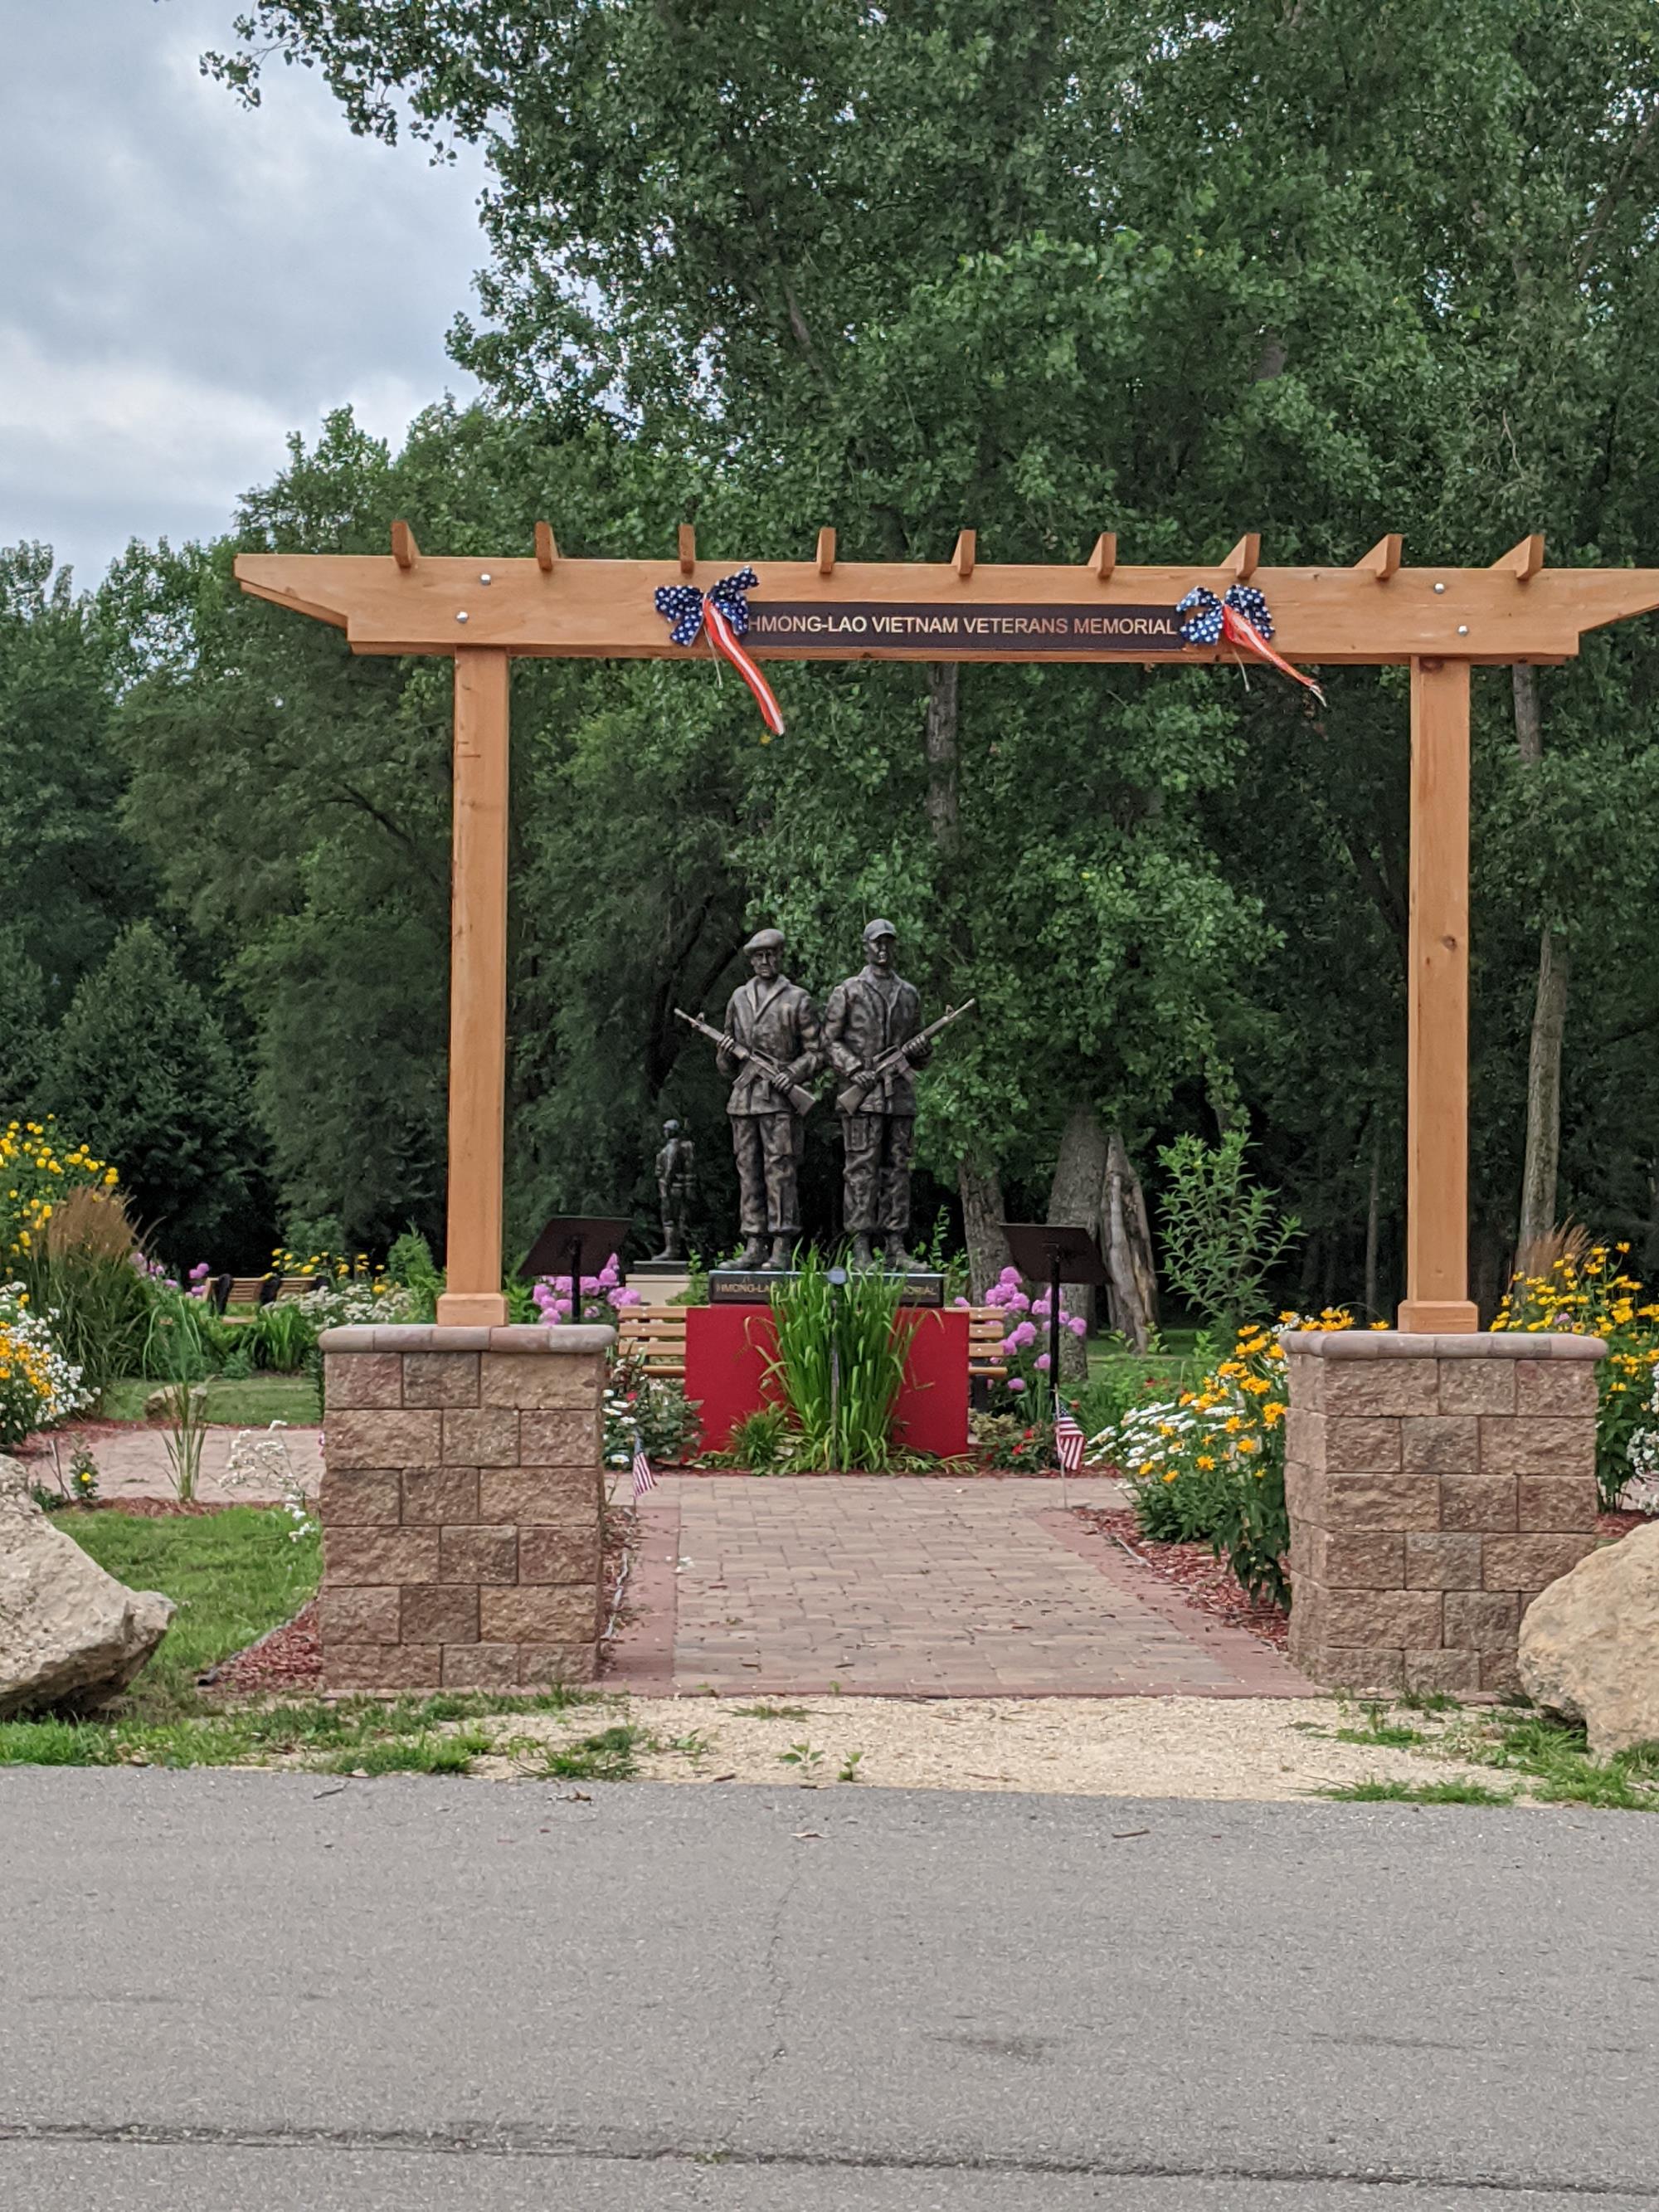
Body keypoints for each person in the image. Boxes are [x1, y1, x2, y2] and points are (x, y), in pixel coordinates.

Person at [821, 918, 932, 1269]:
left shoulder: (909, 993)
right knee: (861, 1170)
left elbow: (920, 1052)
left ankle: (896, 1246)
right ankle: (860, 1247)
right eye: (876, 943)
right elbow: (828, 1042)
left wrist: (922, 1049)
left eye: (888, 943)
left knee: (898, 1169)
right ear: (865, 946)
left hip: (898, 1097)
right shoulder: (849, 991)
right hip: (863, 1097)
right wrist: (855, 1069)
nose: (882, 949)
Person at [715, 928, 821, 1270]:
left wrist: (791, 1074)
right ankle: (753, 1243)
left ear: (779, 956)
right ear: (750, 960)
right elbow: (726, 1065)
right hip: (745, 1101)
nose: (764, 961)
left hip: (780, 1102)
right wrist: (726, 1053)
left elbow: (817, 1054)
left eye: (770, 954)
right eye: (758, 956)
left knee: (780, 1172)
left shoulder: (798, 999)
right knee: (748, 1171)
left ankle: (781, 1246)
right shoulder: (739, 998)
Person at [649, 1119, 695, 1262]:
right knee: (678, 1220)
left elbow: (670, 1167)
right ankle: (676, 1249)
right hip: (677, 1188)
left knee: (669, 1220)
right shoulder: (682, 1146)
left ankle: (671, 1250)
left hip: (671, 1188)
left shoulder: (672, 1147)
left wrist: (666, 1186)